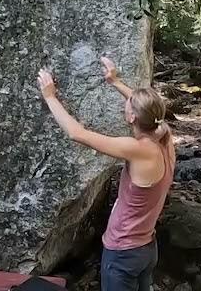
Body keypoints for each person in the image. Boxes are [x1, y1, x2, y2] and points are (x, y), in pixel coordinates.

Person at [35, 57, 175, 291]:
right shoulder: (166, 140)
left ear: (132, 117)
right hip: (146, 249)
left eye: (129, 105)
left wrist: (50, 96)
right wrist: (116, 82)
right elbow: (148, 110)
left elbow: (77, 133)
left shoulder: (138, 149)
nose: (126, 104)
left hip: (123, 252)